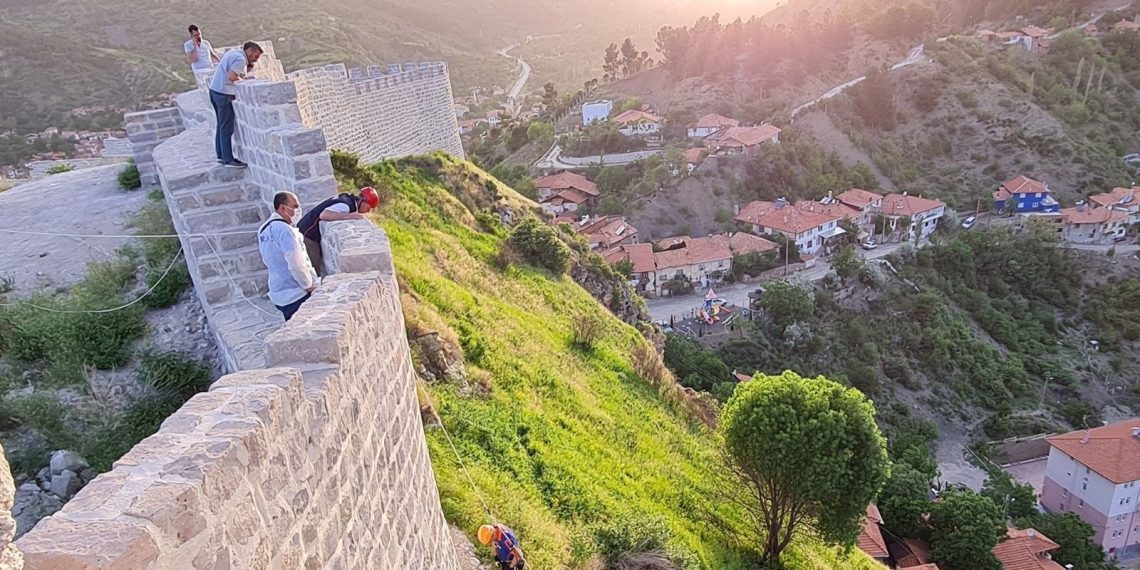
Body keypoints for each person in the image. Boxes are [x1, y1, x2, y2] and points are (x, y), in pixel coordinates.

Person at [258, 191, 317, 321]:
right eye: (295, 206)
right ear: (283, 208)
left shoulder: (263, 229)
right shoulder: (285, 230)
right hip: (295, 293)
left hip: (279, 291)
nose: (298, 210)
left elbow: (266, 258)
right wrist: (308, 285)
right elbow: (296, 263)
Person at [296, 187, 380, 275]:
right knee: (314, 270)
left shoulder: (347, 198)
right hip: (308, 235)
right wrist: (350, 216)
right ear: (363, 201)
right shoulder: (346, 206)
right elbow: (324, 215)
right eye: (369, 206)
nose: (368, 210)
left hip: (305, 228)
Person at [208, 41, 263, 168]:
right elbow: (232, 77)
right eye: (255, 56)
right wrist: (244, 80)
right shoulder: (240, 59)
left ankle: (221, 156)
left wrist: (249, 67)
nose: (256, 60)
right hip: (224, 94)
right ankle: (228, 160)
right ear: (250, 51)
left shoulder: (233, 53)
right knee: (227, 127)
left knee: (221, 125)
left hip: (214, 91)